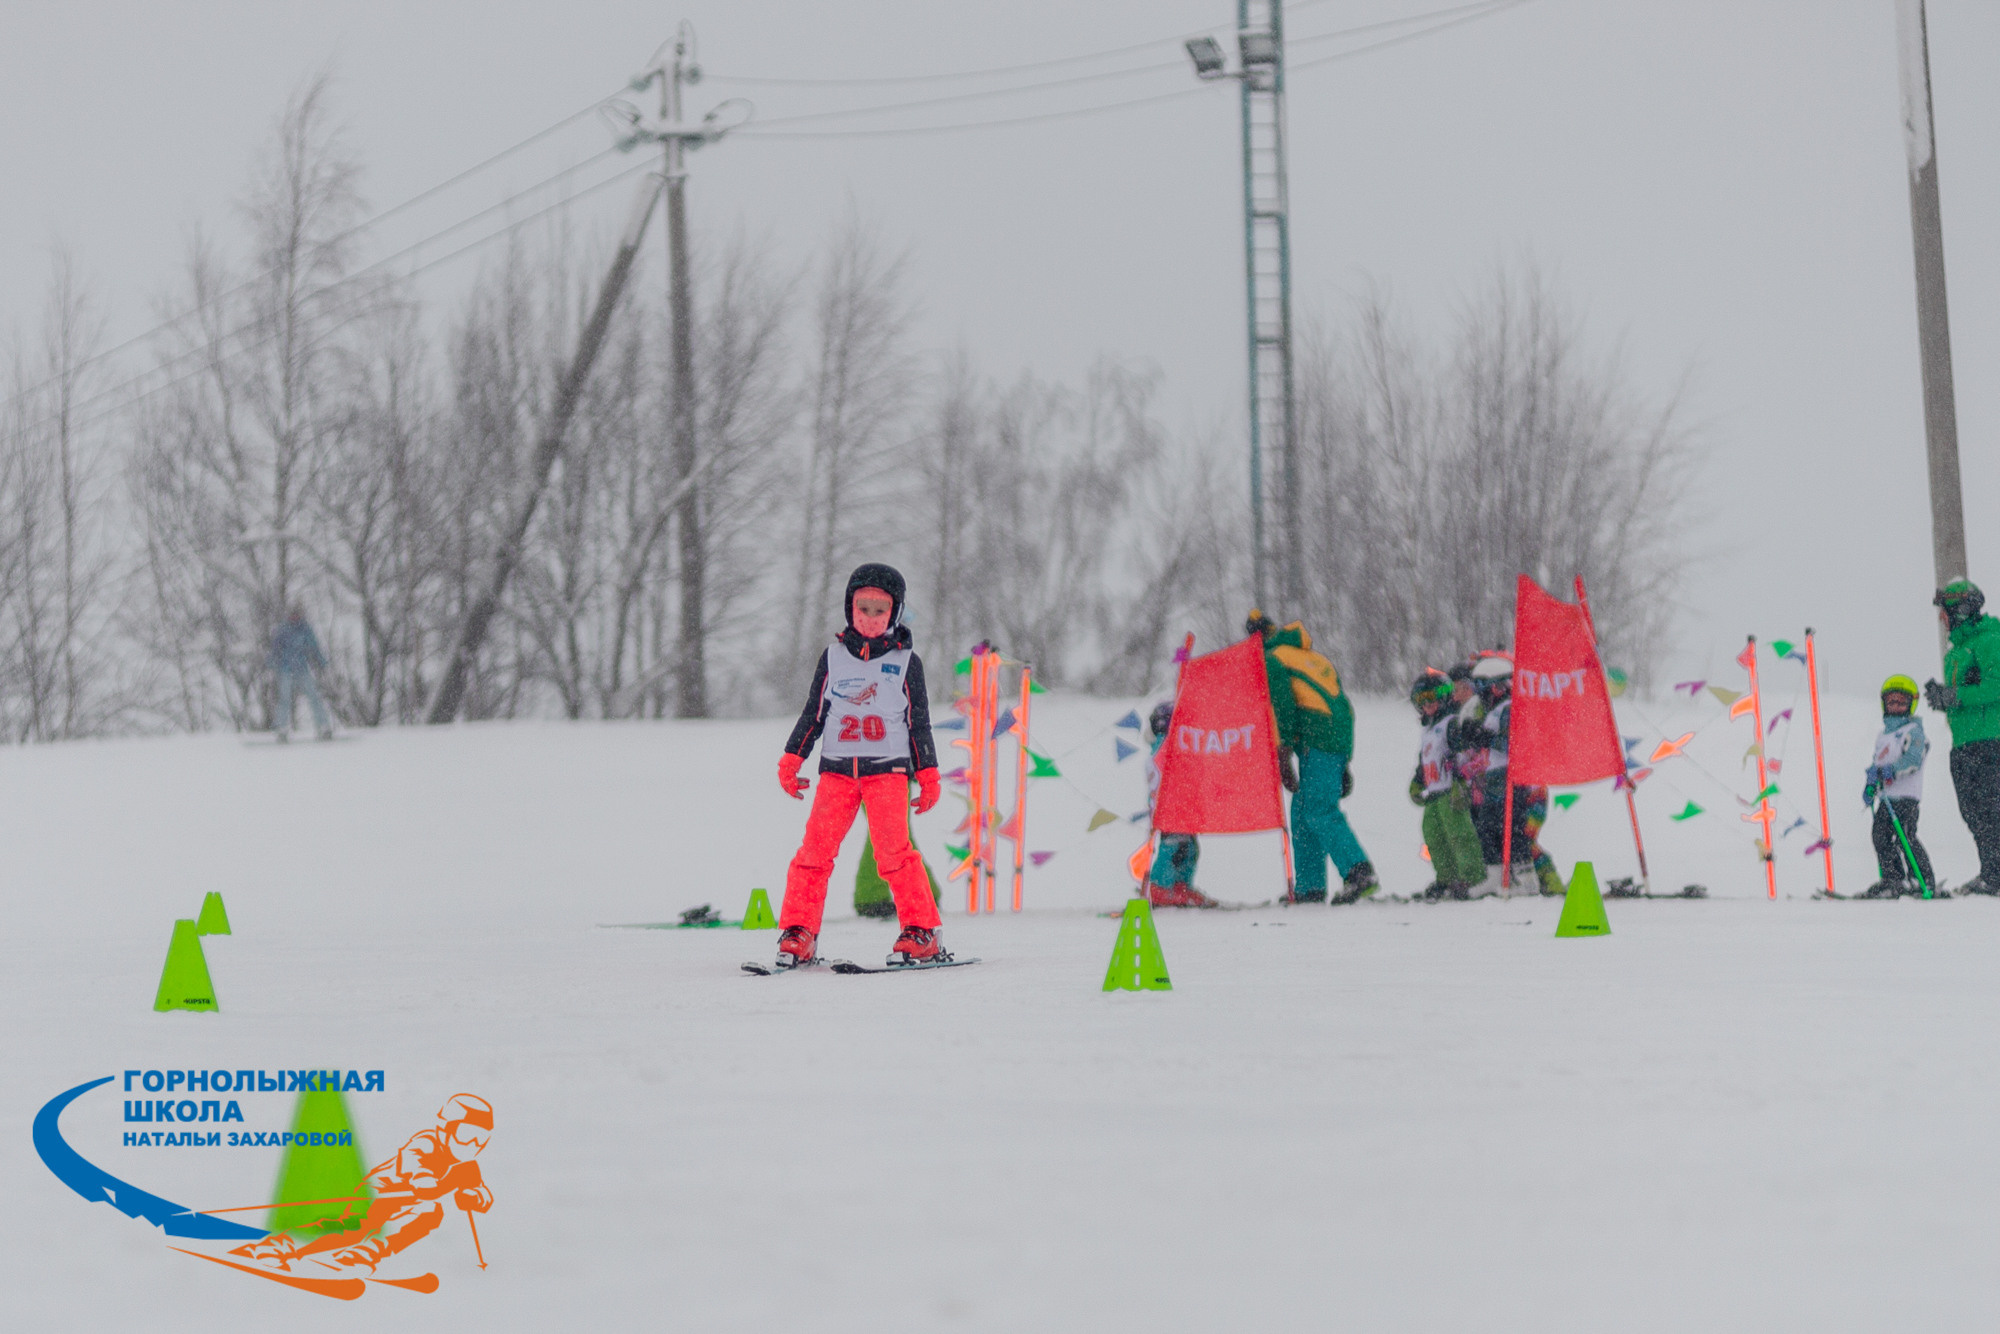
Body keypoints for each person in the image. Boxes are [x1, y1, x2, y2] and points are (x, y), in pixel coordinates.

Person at [774, 563, 944, 967]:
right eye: (862, 608)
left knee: (894, 854)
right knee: (814, 853)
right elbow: (814, 714)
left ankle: (922, 931)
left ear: (895, 612)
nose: (869, 617)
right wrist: (792, 758)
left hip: (887, 773)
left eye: (879, 610)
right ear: (849, 608)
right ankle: (799, 931)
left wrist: (928, 774)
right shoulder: (833, 658)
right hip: (837, 774)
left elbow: (918, 723)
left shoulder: (907, 662)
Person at [234, 1093, 494, 1273]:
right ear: (445, 1128)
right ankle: (283, 1245)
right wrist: (434, 1180)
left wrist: (476, 1196)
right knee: (353, 1229)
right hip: (375, 1195)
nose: (473, 1145)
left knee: (429, 1215)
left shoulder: (466, 1166)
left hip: (401, 1205)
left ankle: (373, 1250)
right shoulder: (426, 1144)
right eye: (466, 1134)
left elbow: (481, 1196)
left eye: (481, 1138)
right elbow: (418, 1170)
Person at [1249, 610, 1378, 905]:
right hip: (1332, 738)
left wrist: (1282, 753)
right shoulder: (1312, 658)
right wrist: (1344, 760)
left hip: (1316, 740)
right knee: (1302, 811)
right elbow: (1342, 706)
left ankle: (1359, 872)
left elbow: (1282, 706)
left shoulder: (1272, 659)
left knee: (1318, 809)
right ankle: (1310, 888)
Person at [1463, 655, 1564, 897]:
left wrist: (1485, 738)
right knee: (1488, 827)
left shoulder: (1511, 709)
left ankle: (1527, 880)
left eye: (1482, 688)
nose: (1479, 695)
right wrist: (1472, 734)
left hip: (1514, 780)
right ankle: (1495, 875)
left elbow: (1516, 745)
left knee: (1513, 830)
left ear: (1496, 687)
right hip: (1494, 779)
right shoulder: (1494, 711)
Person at [1925, 579, 2000, 895]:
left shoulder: (1990, 640)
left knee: (1992, 810)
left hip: (1990, 739)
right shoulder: (1955, 653)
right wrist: (1944, 698)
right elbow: (1965, 696)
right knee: (1973, 812)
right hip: (1964, 743)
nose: (1942, 618)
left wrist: (1956, 696)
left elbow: (1996, 686)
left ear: (1961, 610)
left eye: (1945, 611)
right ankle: (1992, 872)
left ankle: (1995, 875)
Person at [1408, 667, 1488, 901]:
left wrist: (1460, 780)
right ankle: (1447, 878)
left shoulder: (1451, 723)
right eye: (1421, 701)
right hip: (1434, 793)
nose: (1427, 705)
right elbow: (1425, 761)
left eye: (1431, 698)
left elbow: (1461, 752)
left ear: (1443, 697)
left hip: (1451, 790)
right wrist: (1418, 782)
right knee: (1433, 836)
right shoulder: (1428, 730)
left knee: (1459, 834)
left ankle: (1472, 877)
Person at [1861, 674, 1935, 898]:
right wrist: (1871, 782)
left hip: (1906, 796)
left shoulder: (1913, 731)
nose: (1895, 706)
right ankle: (1893, 879)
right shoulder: (1883, 736)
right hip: (1887, 798)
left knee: (1905, 836)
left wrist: (1890, 771)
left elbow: (1913, 760)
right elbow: (1877, 763)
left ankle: (1922, 878)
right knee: (1880, 835)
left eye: (1901, 702)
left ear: (1911, 704)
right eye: (1891, 701)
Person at [1143, 700, 1217, 908]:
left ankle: (1180, 886)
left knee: (1188, 847)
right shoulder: (1166, 747)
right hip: (1171, 809)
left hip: (1182, 807)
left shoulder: (1176, 745)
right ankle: (1160, 887)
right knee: (1175, 846)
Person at [269, 605, 332, 741]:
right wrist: (271, 664)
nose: (295, 617)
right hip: (286, 670)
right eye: (293, 615)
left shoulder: (305, 629)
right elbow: (275, 649)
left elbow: (314, 647)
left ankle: (323, 727)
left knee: (314, 697)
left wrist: (321, 662)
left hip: (302, 669)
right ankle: (282, 729)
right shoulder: (283, 630)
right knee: (284, 699)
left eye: (297, 615)